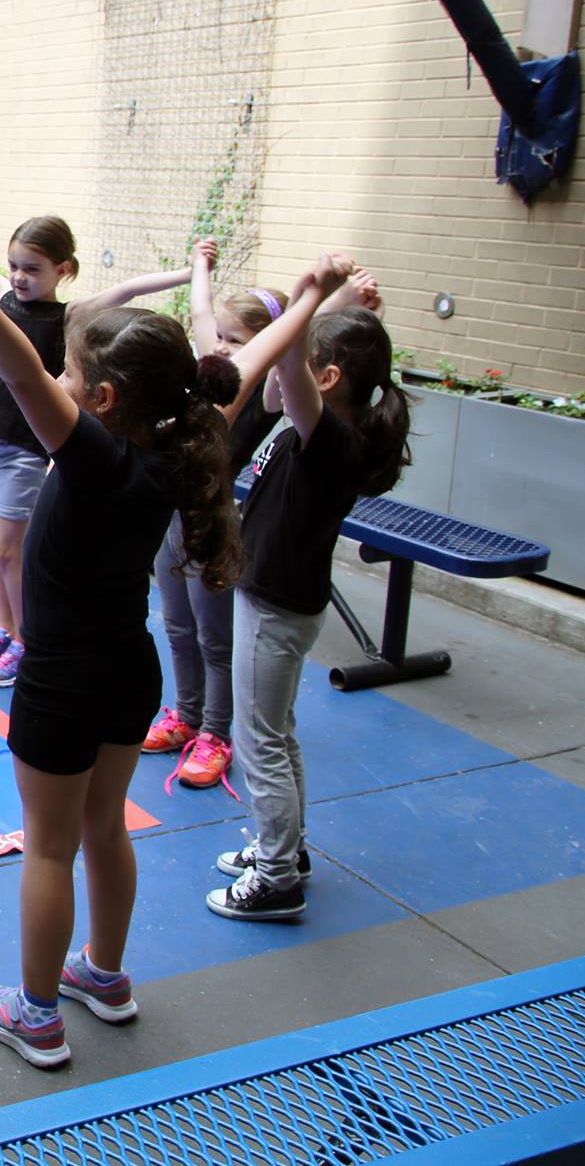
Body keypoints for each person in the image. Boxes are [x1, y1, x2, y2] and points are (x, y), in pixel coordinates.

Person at [0, 218, 343, 1069]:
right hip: (128, 670)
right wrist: (310, 299)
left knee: (47, 843)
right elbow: (251, 359)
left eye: (72, 373)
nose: (58, 379)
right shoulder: (184, 436)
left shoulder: (94, 457)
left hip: (62, 682)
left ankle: (36, 1011)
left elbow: (14, 366)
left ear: (104, 398)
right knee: (104, 825)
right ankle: (104, 976)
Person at [144, 242, 381, 790]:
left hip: (212, 521)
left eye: (238, 339)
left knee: (213, 636)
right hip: (170, 517)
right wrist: (201, 266)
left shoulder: (261, 391)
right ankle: (186, 712)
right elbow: (202, 314)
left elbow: (291, 344)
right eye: (222, 337)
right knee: (176, 624)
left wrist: (330, 299)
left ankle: (217, 733)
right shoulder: (213, 371)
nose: (224, 347)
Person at [209, 297, 410, 923]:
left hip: (275, 604)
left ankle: (275, 880)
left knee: (259, 739)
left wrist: (312, 301)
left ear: (326, 379)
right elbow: (276, 384)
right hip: (281, 599)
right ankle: (286, 852)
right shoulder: (324, 431)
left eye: (299, 362)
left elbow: (286, 373)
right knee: (278, 730)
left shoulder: (330, 439)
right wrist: (331, 309)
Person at [0, 219, 193, 691]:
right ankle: (7, 626)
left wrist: (191, 273)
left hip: (22, 448)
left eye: (33, 268)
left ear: (62, 269)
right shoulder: (5, 295)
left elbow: (126, 290)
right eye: (14, 266)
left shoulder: (69, 317)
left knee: (10, 550)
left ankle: (23, 638)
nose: (20, 277)